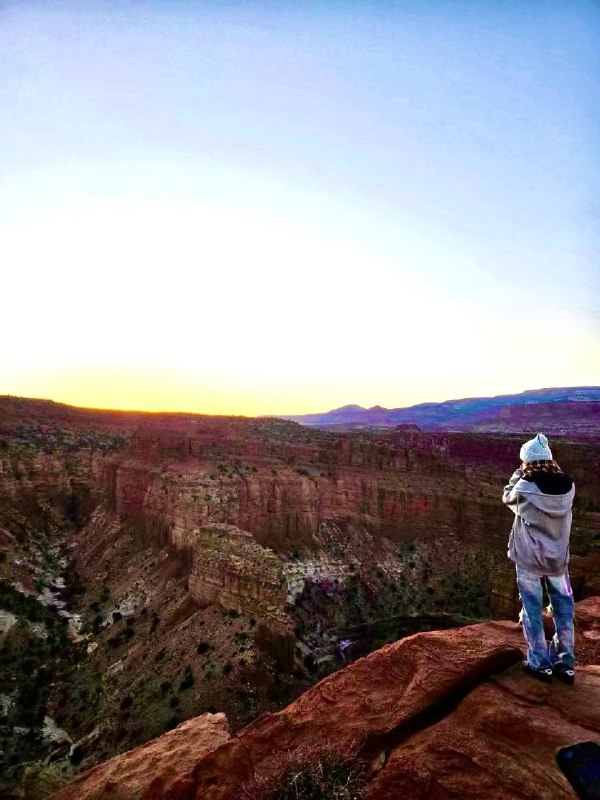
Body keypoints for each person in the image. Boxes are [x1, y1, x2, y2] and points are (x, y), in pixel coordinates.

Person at [502, 433, 576, 685]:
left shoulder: (525, 487)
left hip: (529, 560)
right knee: (563, 611)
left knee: (532, 611)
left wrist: (518, 473)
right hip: (558, 561)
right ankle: (565, 664)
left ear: (528, 462)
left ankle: (540, 664)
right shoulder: (568, 486)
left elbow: (507, 497)